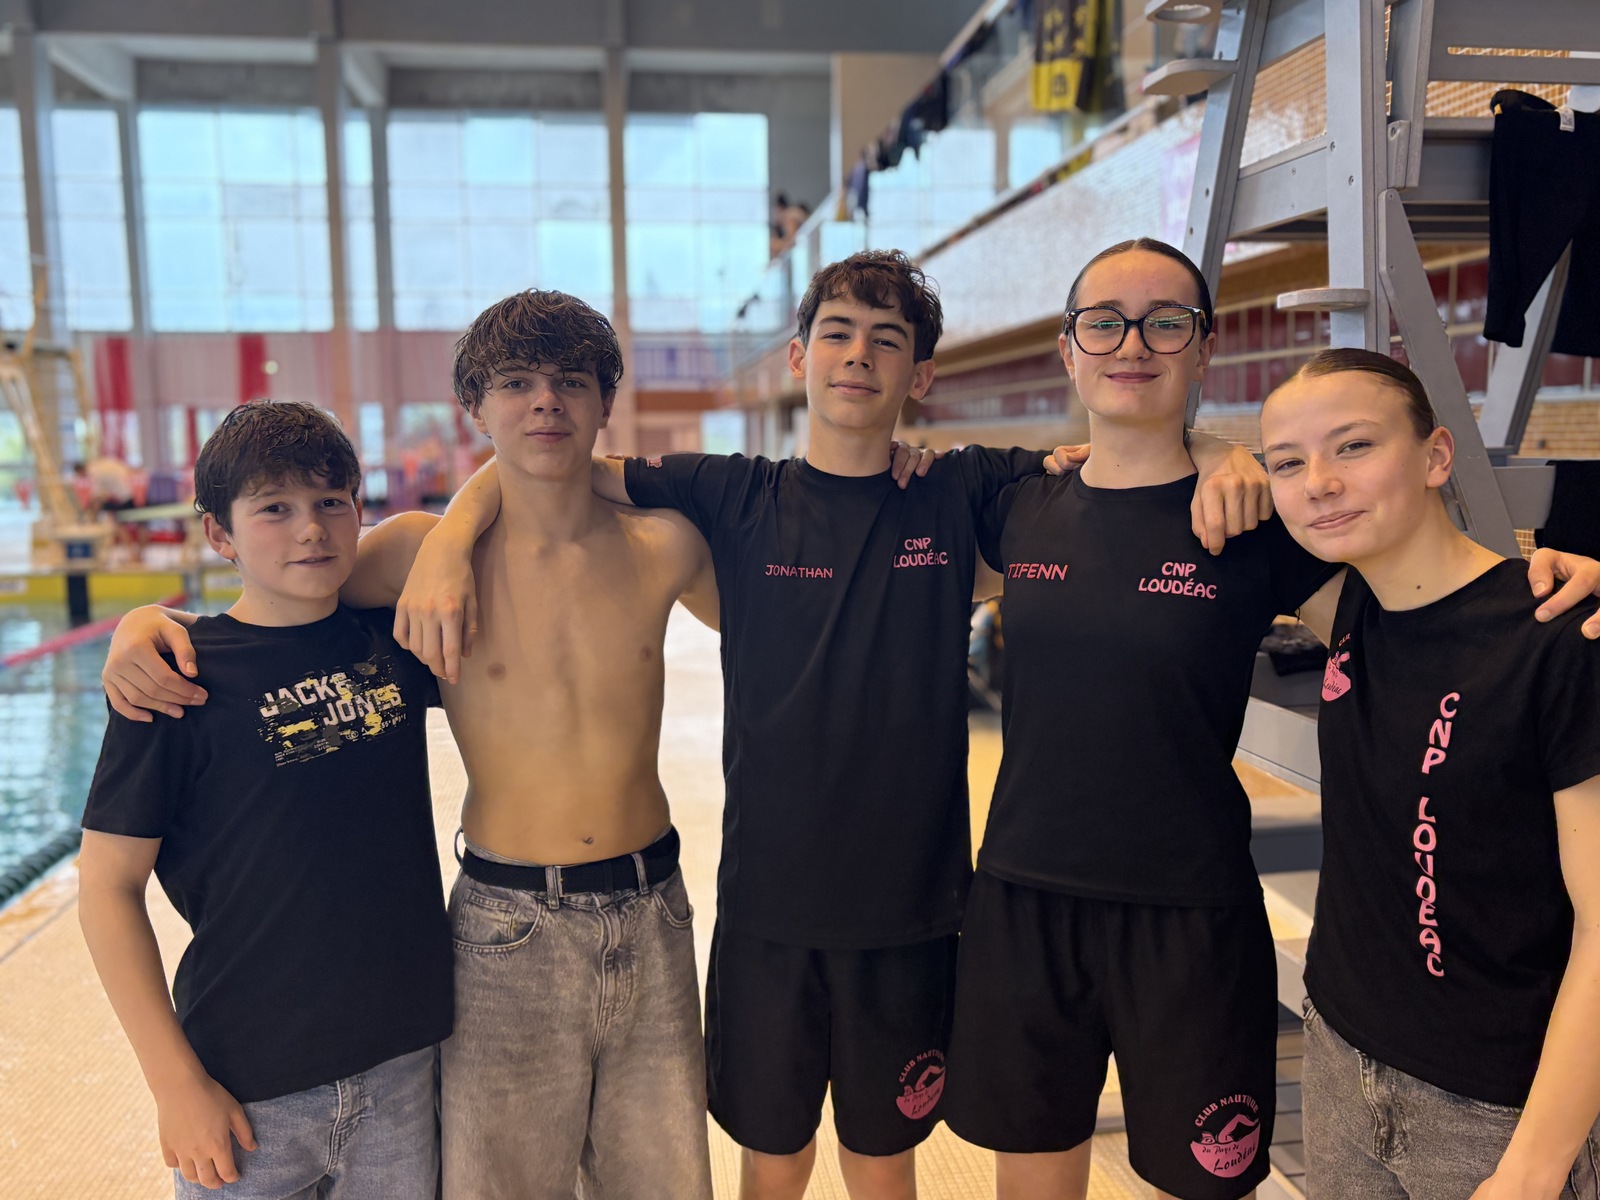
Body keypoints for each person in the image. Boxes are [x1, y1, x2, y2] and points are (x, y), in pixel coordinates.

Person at [399, 249, 1273, 1200]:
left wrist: (1226, 453)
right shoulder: (733, 496)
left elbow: (1124, 462)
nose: (859, 356)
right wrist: (449, 534)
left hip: (913, 912)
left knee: (882, 1159)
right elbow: (554, 461)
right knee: (773, 1161)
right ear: (797, 357)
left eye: (887, 341)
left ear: (921, 376)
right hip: (767, 909)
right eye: (837, 335)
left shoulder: (961, 491)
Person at [938, 238, 1600, 1200]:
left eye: (1167, 322)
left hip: (1194, 917)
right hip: (1025, 901)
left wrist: (1558, 583)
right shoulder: (1019, 505)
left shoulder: (1256, 526)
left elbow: (1423, 602)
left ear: (1204, 349)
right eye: (1104, 322)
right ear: (1068, 349)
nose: (1134, 343)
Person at [98, 291, 722, 1200]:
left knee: (664, 1182)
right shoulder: (409, 556)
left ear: (605, 401)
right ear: (474, 408)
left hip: (651, 905)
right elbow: (273, 608)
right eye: (516, 383)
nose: (546, 402)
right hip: (509, 921)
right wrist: (150, 626)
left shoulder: (666, 546)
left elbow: (780, 621)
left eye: (570, 382)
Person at [77, 400, 452, 1199]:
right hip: (248, 1089)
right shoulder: (175, 677)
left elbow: (438, 542)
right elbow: (107, 888)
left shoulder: (390, 642)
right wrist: (174, 1085)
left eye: (331, 502)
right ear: (220, 534)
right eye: (273, 509)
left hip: (402, 1068)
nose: (310, 530)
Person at [1260, 348, 1600, 1199]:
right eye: (1288, 463)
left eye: (1354, 446)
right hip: (1340, 1058)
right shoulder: (1348, 606)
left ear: (1437, 456)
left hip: (1495, 1108)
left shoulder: (1560, 636)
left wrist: (1534, 1167)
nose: (1320, 483)